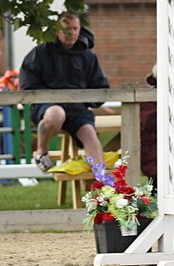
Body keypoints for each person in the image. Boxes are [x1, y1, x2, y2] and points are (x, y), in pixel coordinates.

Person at [19, 12, 109, 175]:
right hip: (47, 107)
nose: (72, 33)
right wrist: (50, 98)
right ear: (56, 30)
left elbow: (100, 86)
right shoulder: (40, 53)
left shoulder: (87, 56)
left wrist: (93, 101)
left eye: (75, 29)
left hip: (77, 109)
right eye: (67, 29)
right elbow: (27, 85)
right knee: (56, 114)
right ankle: (41, 153)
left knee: (89, 134)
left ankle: (102, 182)